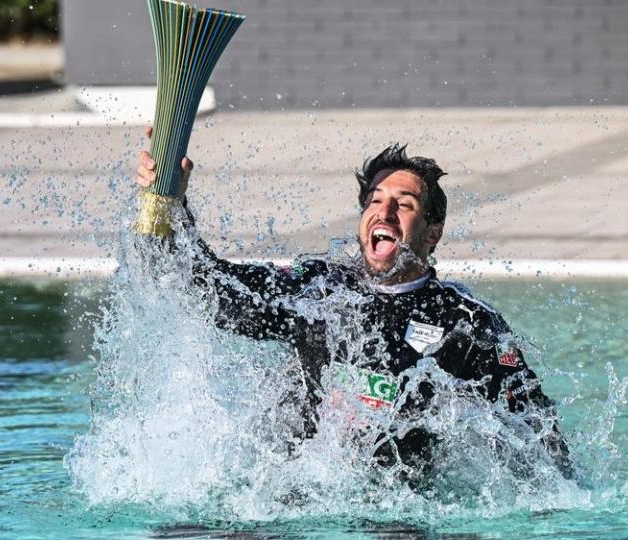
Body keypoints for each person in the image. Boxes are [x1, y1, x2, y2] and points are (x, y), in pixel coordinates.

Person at [135, 139, 571, 478]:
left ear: (433, 232)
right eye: (375, 201)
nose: (385, 212)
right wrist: (170, 203)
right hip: (292, 490)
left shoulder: (464, 321)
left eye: (404, 204)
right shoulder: (319, 290)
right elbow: (206, 289)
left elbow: (538, 430)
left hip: (394, 505)